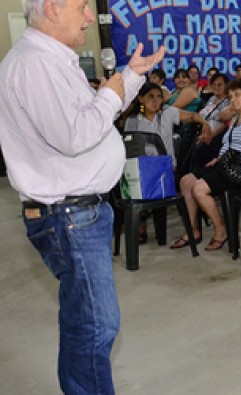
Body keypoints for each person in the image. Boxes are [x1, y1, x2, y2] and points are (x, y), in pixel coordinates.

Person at [0, 0, 165, 391]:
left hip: (78, 213)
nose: (91, 17)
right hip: (68, 215)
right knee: (96, 324)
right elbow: (74, 137)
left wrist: (130, 79)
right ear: (53, 8)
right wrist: (109, 95)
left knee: (85, 320)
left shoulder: (54, 59)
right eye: (82, 7)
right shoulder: (36, 64)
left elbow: (91, 119)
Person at [172, 77, 241, 251]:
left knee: (199, 189)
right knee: (186, 181)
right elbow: (230, 144)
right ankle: (193, 230)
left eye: (237, 95)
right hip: (228, 163)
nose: (232, 99)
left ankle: (221, 230)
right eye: (230, 96)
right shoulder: (237, 117)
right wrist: (219, 157)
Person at [120, 83, 210, 169]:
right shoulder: (132, 120)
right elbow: (129, 150)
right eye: (151, 96)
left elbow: (192, 116)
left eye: (159, 97)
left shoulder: (167, 112)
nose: (155, 100)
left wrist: (205, 124)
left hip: (167, 166)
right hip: (143, 168)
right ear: (141, 99)